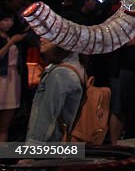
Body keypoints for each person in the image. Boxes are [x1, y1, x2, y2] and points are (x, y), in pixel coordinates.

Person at [25, 39, 84, 143]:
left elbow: (46, 117)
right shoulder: (75, 66)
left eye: (49, 36)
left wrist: (31, 152)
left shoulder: (60, 73)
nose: (41, 38)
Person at [0, 13, 27, 141]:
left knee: (5, 126)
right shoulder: (12, 39)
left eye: (10, 20)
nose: (8, 23)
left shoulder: (13, 35)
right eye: (5, 19)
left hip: (12, 78)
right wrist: (11, 42)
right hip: (1, 77)